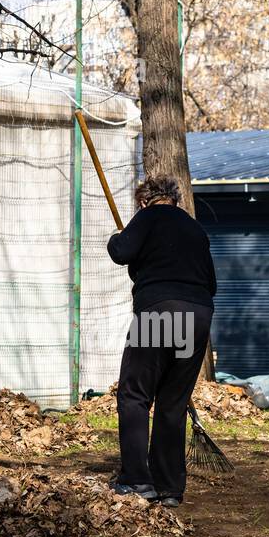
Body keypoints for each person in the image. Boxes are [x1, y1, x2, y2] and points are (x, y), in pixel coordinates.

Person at [106, 174, 216, 508]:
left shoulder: (148, 216)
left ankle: (138, 480)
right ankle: (170, 488)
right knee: (172, 401)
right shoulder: (195, 228)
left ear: (143, 201)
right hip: (198, 316)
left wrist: (116, 237)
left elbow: (121, 252)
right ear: (176, 199)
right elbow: (210, 282)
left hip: (159, 313)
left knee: (135, 394)